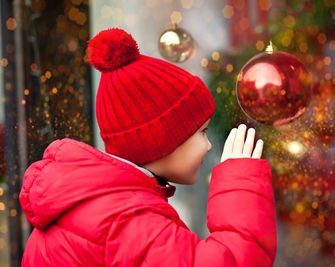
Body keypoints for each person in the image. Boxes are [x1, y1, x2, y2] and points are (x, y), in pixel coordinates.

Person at [19, 28, 277, 266]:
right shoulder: (125, 222)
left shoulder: (103, 205)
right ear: (160, 141)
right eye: (202, 132)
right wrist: (241, 186)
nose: (209, 145)